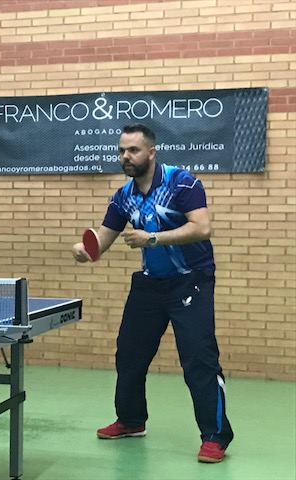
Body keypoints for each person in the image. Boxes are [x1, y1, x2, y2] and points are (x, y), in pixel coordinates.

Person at [72, 123, 233, 463]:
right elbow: (102, 239)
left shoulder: (181, 182)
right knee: (129, 355)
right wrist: (86, 249)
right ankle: (131, 421)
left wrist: (153, 238)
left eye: (133, 150)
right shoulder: (123, 196)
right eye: (121, 151)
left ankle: (215, 436)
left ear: (151, 152)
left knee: (199, 359)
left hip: (191, 281)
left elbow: (202, 227)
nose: (125, 157)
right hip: (149, 284)